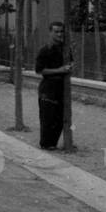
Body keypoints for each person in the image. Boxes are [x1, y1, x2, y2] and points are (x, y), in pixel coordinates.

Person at [35, 21, 70, 150]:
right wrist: (60, 70)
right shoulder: (45, 50)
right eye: (56, 31)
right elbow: (39, 70)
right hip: (48, 87)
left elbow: (70, 63)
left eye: (61, 31)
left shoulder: (65, 49)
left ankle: (52, 144)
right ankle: (45, 144)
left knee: (60, 117)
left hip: (62, 87)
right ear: (50, 32)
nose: (59, 34)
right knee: (47, 117)